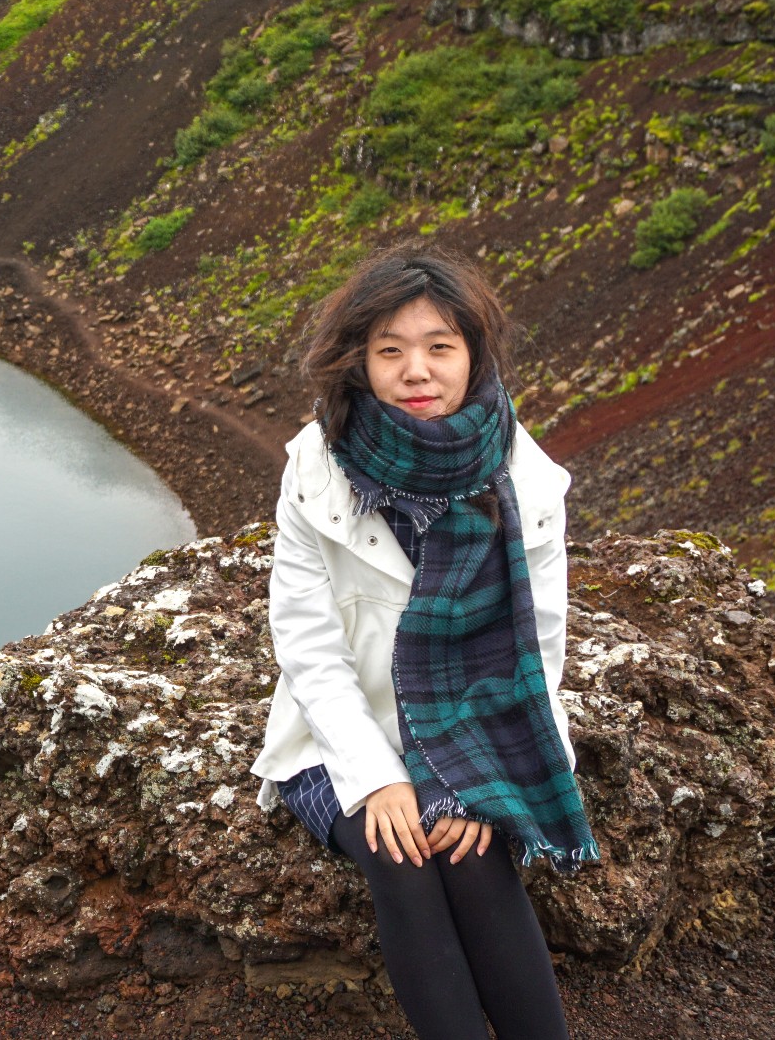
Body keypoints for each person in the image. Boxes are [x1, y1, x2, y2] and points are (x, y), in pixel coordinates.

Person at [250, 244, 594, 1040]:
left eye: (440, 347)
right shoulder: (316, 469)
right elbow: (306, 644)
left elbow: (538, 648)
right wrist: (377, 778)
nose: (417, 371)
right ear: (358, 359)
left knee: (476, 856)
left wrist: (484, 778)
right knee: (400, 857)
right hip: (337, 734)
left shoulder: (526, 479)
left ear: (472, 355)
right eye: (391, 350)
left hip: (473, 729)